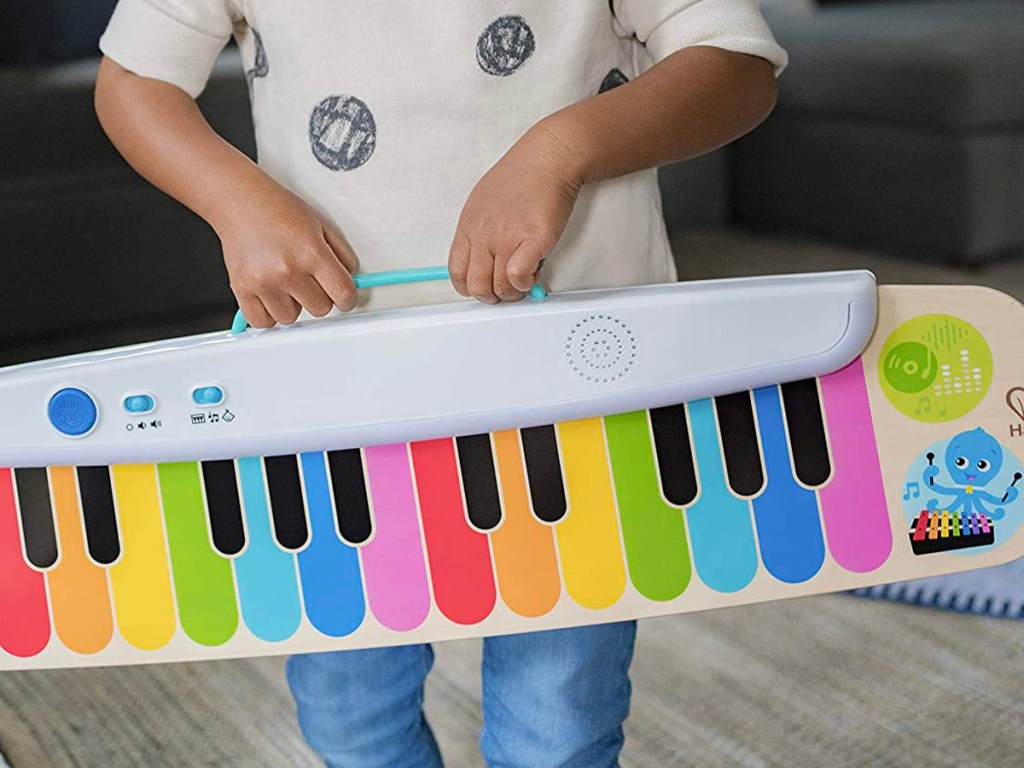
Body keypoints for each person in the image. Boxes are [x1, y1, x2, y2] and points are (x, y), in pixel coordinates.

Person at [95, 2, 786, 765]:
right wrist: (236, 202)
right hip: (334, 396)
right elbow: (134, 78)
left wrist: (562, 148)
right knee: (348, 713)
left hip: (575, 389)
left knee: (557, 725)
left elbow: (737, 62)